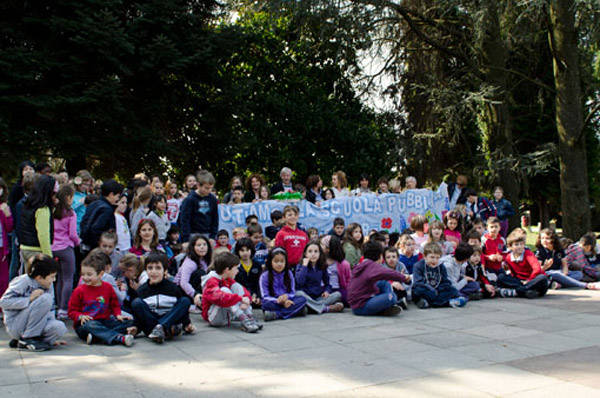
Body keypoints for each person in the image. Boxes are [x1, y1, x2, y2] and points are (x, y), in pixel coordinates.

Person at [68, 250, 136, 346]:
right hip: (87, 324)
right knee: (90, 325)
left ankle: (96, 337)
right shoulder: (79, 290)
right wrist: (80, 316)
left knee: (129, 321)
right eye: (83, 274)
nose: (85, 277)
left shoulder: (108, 287)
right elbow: (71, 311)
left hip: (105, 321)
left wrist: (118, 315)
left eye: (89, 274)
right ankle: (119, 337)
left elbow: (114, 304)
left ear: (100, 274)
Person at [0, 254, 67, 351]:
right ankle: (28, 339)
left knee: (59, 327)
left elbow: (51, 309)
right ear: (39, 277)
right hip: (16, 323)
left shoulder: (49, 285)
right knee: (45, 298)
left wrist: (52, 339)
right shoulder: (23, 281)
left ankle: (26, 341)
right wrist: (29, 299)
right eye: (52, 277)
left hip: (34, 325)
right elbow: (4, 302)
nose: (54, 280)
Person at [131, 252, 195, 344]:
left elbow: (181, 311)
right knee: (136, 303)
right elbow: (139, 315)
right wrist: (135, 327)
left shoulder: (173, 288)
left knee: (185, 301)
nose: (153, 271)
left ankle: (162, 328)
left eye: (158, 268)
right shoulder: (141, 291)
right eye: (150, 268)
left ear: (165, 271)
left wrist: (187, 324)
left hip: (169, 320)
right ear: (146, 270)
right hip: (151, 324)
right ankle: (161, 330)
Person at [197, 251, 262, 333]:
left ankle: (249, 316)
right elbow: (219, 297)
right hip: (214, 318)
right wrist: (240, 299)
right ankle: (243, 318)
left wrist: (245, 301)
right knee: (224, 290)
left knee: (236, 286)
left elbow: (244, 291)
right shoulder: (211, 281)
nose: (237, 271)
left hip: (228, 316)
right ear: (227, 270)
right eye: (236, 268)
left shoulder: (228, 279)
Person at [348, 241, 410, 316]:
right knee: (392, 297)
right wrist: (403, 277)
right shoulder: (373, 266)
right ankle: (386, 307)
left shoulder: (363, 264)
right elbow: (388, 273)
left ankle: (386, 307)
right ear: (380, 256)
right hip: (361, 306)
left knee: (384, 283)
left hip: (359, 302)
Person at [51, 184, 80, 320]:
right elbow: (73, 234)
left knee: (58, 279)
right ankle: (64, 308)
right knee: (68, 279)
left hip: (53, 247)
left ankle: (57, 305)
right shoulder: (70, 213)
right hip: (66, 247)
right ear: (68, 197)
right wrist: (78, 243)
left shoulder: (53, 211)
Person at [412, 242, 467, 309]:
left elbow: (445, 281)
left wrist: (439, 289)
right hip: (426, 289)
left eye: (437, 258)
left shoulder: (441, 266)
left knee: (452, 290)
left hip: (437, 290)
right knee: (418, 290)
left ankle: (428, 303)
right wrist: (431, 289)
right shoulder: (418, 266)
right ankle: (447, 303)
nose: (434, 260)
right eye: (432, 257)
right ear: (425, 256)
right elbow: (418, 282)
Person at [496, 230, 549, 298]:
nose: (519, 247)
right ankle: (526, 292)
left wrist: (528, 280)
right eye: (516, 244)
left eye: (521, 244)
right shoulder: (508, 258)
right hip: (520, 281)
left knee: (542, 278)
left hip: (532, 280)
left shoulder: (528, 254)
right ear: (510, 247)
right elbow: (511, 273)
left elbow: (537, 269)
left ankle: (516, 292)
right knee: (501, 277)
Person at [294, 241, 344, 314]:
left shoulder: (321, 266)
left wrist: (327, 291)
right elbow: (299, 283)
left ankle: (313, 307)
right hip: (306, 296)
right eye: (310, 251)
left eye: (316, 251)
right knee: (298, 293)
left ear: (320, 254)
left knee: (337, 294)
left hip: (318, 297)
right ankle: (325, 308)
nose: (313, 254)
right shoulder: (300, 266)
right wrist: (304, 266)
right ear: (305, 254)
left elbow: (327, 284)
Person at [19, 174, 56, 268]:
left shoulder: (27, 204)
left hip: (25, 247)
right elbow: (43, 235)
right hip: (37, 250)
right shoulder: (42, 209)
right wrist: (48, 256)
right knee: (42, 281)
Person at [260, 247, 307, 321]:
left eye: (282, 261)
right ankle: (296, 311)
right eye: (276, 261)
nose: (279, 264)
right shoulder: (265, 276)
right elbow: (264, 296)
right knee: (265, 304)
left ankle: (277, 314)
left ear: (286, 262)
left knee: (302, 299)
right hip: (274, 301)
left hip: (288, 300)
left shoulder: (289, 273)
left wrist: (286, 297)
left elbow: (292, 292)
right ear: (270, 262)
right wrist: (278, 301)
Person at [79, 179, 123, 252]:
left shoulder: (94, 204)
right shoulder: (107, 209)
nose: (117, 199)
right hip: (98, 248)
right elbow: (96, 228)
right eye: (117, 196)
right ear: (111, 194)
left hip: (86, 244)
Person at [179, 170, 218, 243]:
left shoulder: (213, 199)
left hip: (208, 235)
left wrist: (213, 236)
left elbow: (215, 218)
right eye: (206, 188)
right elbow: (184, 220)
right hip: (193, 235)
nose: (209, 191)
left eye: (211, 188)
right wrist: (186, 239)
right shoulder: (189, 199)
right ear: (198, 185)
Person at [173, 234, 211, 310]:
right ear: (193, 248)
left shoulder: (204, 260)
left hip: (192, 288)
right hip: (181, 290)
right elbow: (183, 283)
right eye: (199, 245)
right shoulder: (190, 262)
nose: (202, 247)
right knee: (201, 274)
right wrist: (195, 294)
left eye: (204, 244)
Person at [320, 235, 352, 305]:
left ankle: (326, 303)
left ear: (328, 249)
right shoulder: (319, 261)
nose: (319, 246)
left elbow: (348, 280)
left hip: (337, 289)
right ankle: (330, 304)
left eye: (322, 245)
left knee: (346, 297)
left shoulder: (343, 264)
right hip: (323, 289)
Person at [234, 237, 262, 306]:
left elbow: (259, 283)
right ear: (238, 251)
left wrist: (258, 296)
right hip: (241, 297)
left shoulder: (257, 265)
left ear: (251, 250)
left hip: (255, 296)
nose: (245, 253)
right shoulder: (235, 266)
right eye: (242, 250)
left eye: (247, 250)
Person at [0, 178, 14, 296]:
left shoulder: (3, 206)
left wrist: (7, 214)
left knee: (3, 279)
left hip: (1, 248)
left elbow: (9, 228)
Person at [71, 170, 93, 234]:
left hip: (85, 229)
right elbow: (68, 210)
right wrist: (80, 202)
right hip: (75, 229)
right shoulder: (71, 195)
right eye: (84, 184)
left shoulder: (88, 195)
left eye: (88, 185)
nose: (86, 187)